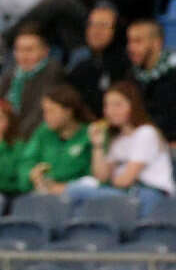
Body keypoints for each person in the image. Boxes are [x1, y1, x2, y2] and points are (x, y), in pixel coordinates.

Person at [75, 81, 175, 216]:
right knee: (78, 192)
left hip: (150, 194)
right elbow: (101, 177)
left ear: (133, 106)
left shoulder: (146, 133)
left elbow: (125, 180)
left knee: (78, 191)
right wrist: (97, 145)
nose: (110, 111)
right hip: (126, 194)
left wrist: (107, 184)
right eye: (107, 105)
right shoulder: (117, 139)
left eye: (117, 105)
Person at [18, 83, 94, 194]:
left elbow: (94, 178)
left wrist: (66, 187)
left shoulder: (90, 135)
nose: (46, 116)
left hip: (77, 196)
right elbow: (26, 162)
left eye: (51, 111)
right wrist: (32, 174)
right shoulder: (43, 132)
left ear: (68, 111)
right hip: (43, 193)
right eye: (44, 111)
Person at [0, 23, 65, 140]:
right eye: (19, 50)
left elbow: (39, 114)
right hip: (6, 134)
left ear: (45, 51)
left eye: (29, 50)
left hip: (28, 139)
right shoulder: (12, 72)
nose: (23, 55)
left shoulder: (52, 72)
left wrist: (15, 139)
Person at [66, 2, 130, 116]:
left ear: (116, 30)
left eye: (103, 25)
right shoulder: (81, 66)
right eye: (91, 25)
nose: (95, 31)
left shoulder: (126, 64)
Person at [125, 19, 176, 145]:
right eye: (129, 41)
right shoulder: (131, 76)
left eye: (138, 41)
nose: (130, 48)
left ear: (157, 43)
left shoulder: (173, 72)